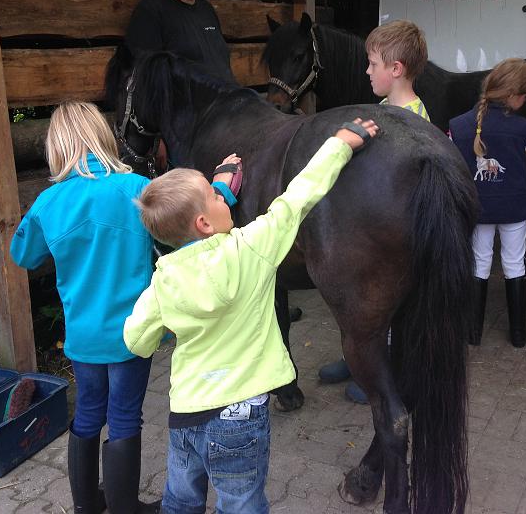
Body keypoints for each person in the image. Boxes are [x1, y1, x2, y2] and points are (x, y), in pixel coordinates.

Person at [123, 118, 379, 514]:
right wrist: (340, 144)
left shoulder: (164, 280)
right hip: (238, 418)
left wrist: (172, 327)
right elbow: (297, 197)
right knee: (241, 505)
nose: (223, 195)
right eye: (214, 193)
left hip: (186, 414)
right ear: (205, 222)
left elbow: (136, 340)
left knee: (180, 500)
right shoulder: (252, 248)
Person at [10, 102, 239, 514]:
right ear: (103, 136)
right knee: (124, 416)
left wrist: (39, 218)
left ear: (57, 146)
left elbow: (22, 255)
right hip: (134, 331)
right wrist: (220, 189)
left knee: (87, 414)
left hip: (82, 335)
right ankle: (123, 508)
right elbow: (182, 226)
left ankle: (86, 506)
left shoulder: (49, 201)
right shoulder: (135, 188)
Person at [317, 19, 429, 404]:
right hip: (364, 226)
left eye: (373, 64)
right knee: (355, 299)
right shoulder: (382, 109)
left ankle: (384, 373)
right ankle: (356, 358)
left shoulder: (415, 120)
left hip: (393, 233)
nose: (367, 71)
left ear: (395, 69)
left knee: (386, 307)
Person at [449, 58, 526, 347]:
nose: (525, 101)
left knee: (479, 262)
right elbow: (525, 156)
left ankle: (472, 332)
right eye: (525, 95)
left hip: (478, 207)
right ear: (513, 95)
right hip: (514, 207)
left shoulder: (458, 125)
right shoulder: (524, 128)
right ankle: (518, 333)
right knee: (515, 263)